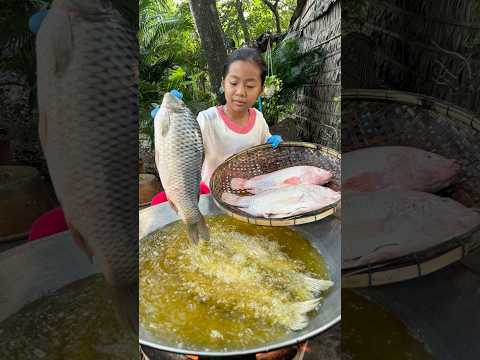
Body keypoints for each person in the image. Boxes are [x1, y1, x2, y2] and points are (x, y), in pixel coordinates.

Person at [150, 47, 282, 205]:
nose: (240, 92)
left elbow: (265, 144)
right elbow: (182, 146)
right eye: (233, 83)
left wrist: (271, 143)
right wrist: (168, 122)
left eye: (250, 86)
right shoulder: (207, 119)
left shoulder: (258, 119)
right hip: (211, 199)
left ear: (260, 90)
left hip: (250, 198)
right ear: (223, 84)